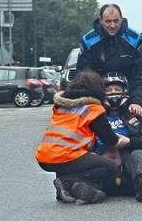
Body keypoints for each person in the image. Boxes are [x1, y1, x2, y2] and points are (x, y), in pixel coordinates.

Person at [34, 71, 120, 204]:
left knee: (76, 161)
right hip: (65, 155)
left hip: (44, 157)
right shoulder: (93, 109)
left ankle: (64, 190)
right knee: (110, 167)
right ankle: (67, 183)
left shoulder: (61, 105)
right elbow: (110, 140)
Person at [76, 4, 142, 117]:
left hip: (129, 99)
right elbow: (83, 75)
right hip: (99, 100)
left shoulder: (135, 39)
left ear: (122, 19)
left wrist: (137, 101)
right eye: (108, 21)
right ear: (100, 20)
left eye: (116, 21)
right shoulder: (88, 41)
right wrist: (90, 102)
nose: (112, 25)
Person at [93, 73, 142, 202]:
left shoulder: (133, 113)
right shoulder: (94, 115)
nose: (113, 93)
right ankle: (84, 188)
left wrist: (128, 142)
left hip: (127, 168)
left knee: (139, 153)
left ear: (124, 91)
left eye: (117, 89)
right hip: (104, 167)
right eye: (109, 90)